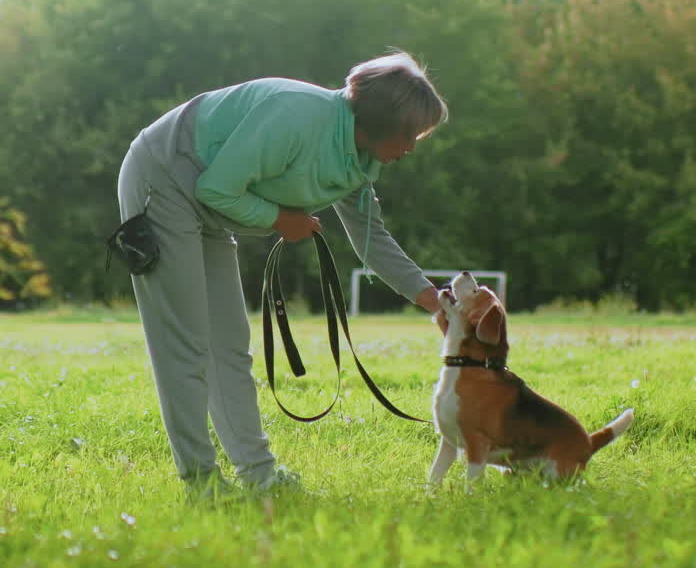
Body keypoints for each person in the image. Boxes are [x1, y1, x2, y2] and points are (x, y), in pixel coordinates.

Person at [117, 51, 448, 502]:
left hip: (212, 208)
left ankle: (259, 475)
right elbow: (214, 187)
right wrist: (279, 218)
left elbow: (373, 239)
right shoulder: (296, 115)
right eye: (409, 136)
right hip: (166, 177)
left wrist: (434, 300)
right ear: (378, 123)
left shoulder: (358, 159)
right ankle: (201, 483)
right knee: (186, 344)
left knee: (229, 345)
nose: (410, 148)